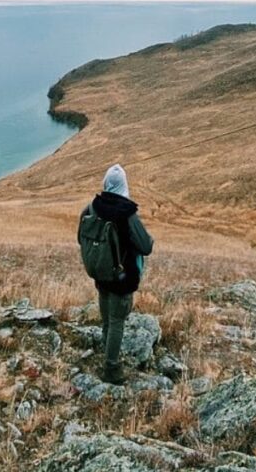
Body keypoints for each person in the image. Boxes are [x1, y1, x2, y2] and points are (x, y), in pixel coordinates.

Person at [77, 164, 154, 384]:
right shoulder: (127, 214)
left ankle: (106, 350)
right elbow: (146, 246)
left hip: (101, 275)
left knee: (107, 319)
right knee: (117, 321)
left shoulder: (91, 207)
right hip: (123, 277)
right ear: (124, 186)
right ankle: (111, 368)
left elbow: (80, 238)